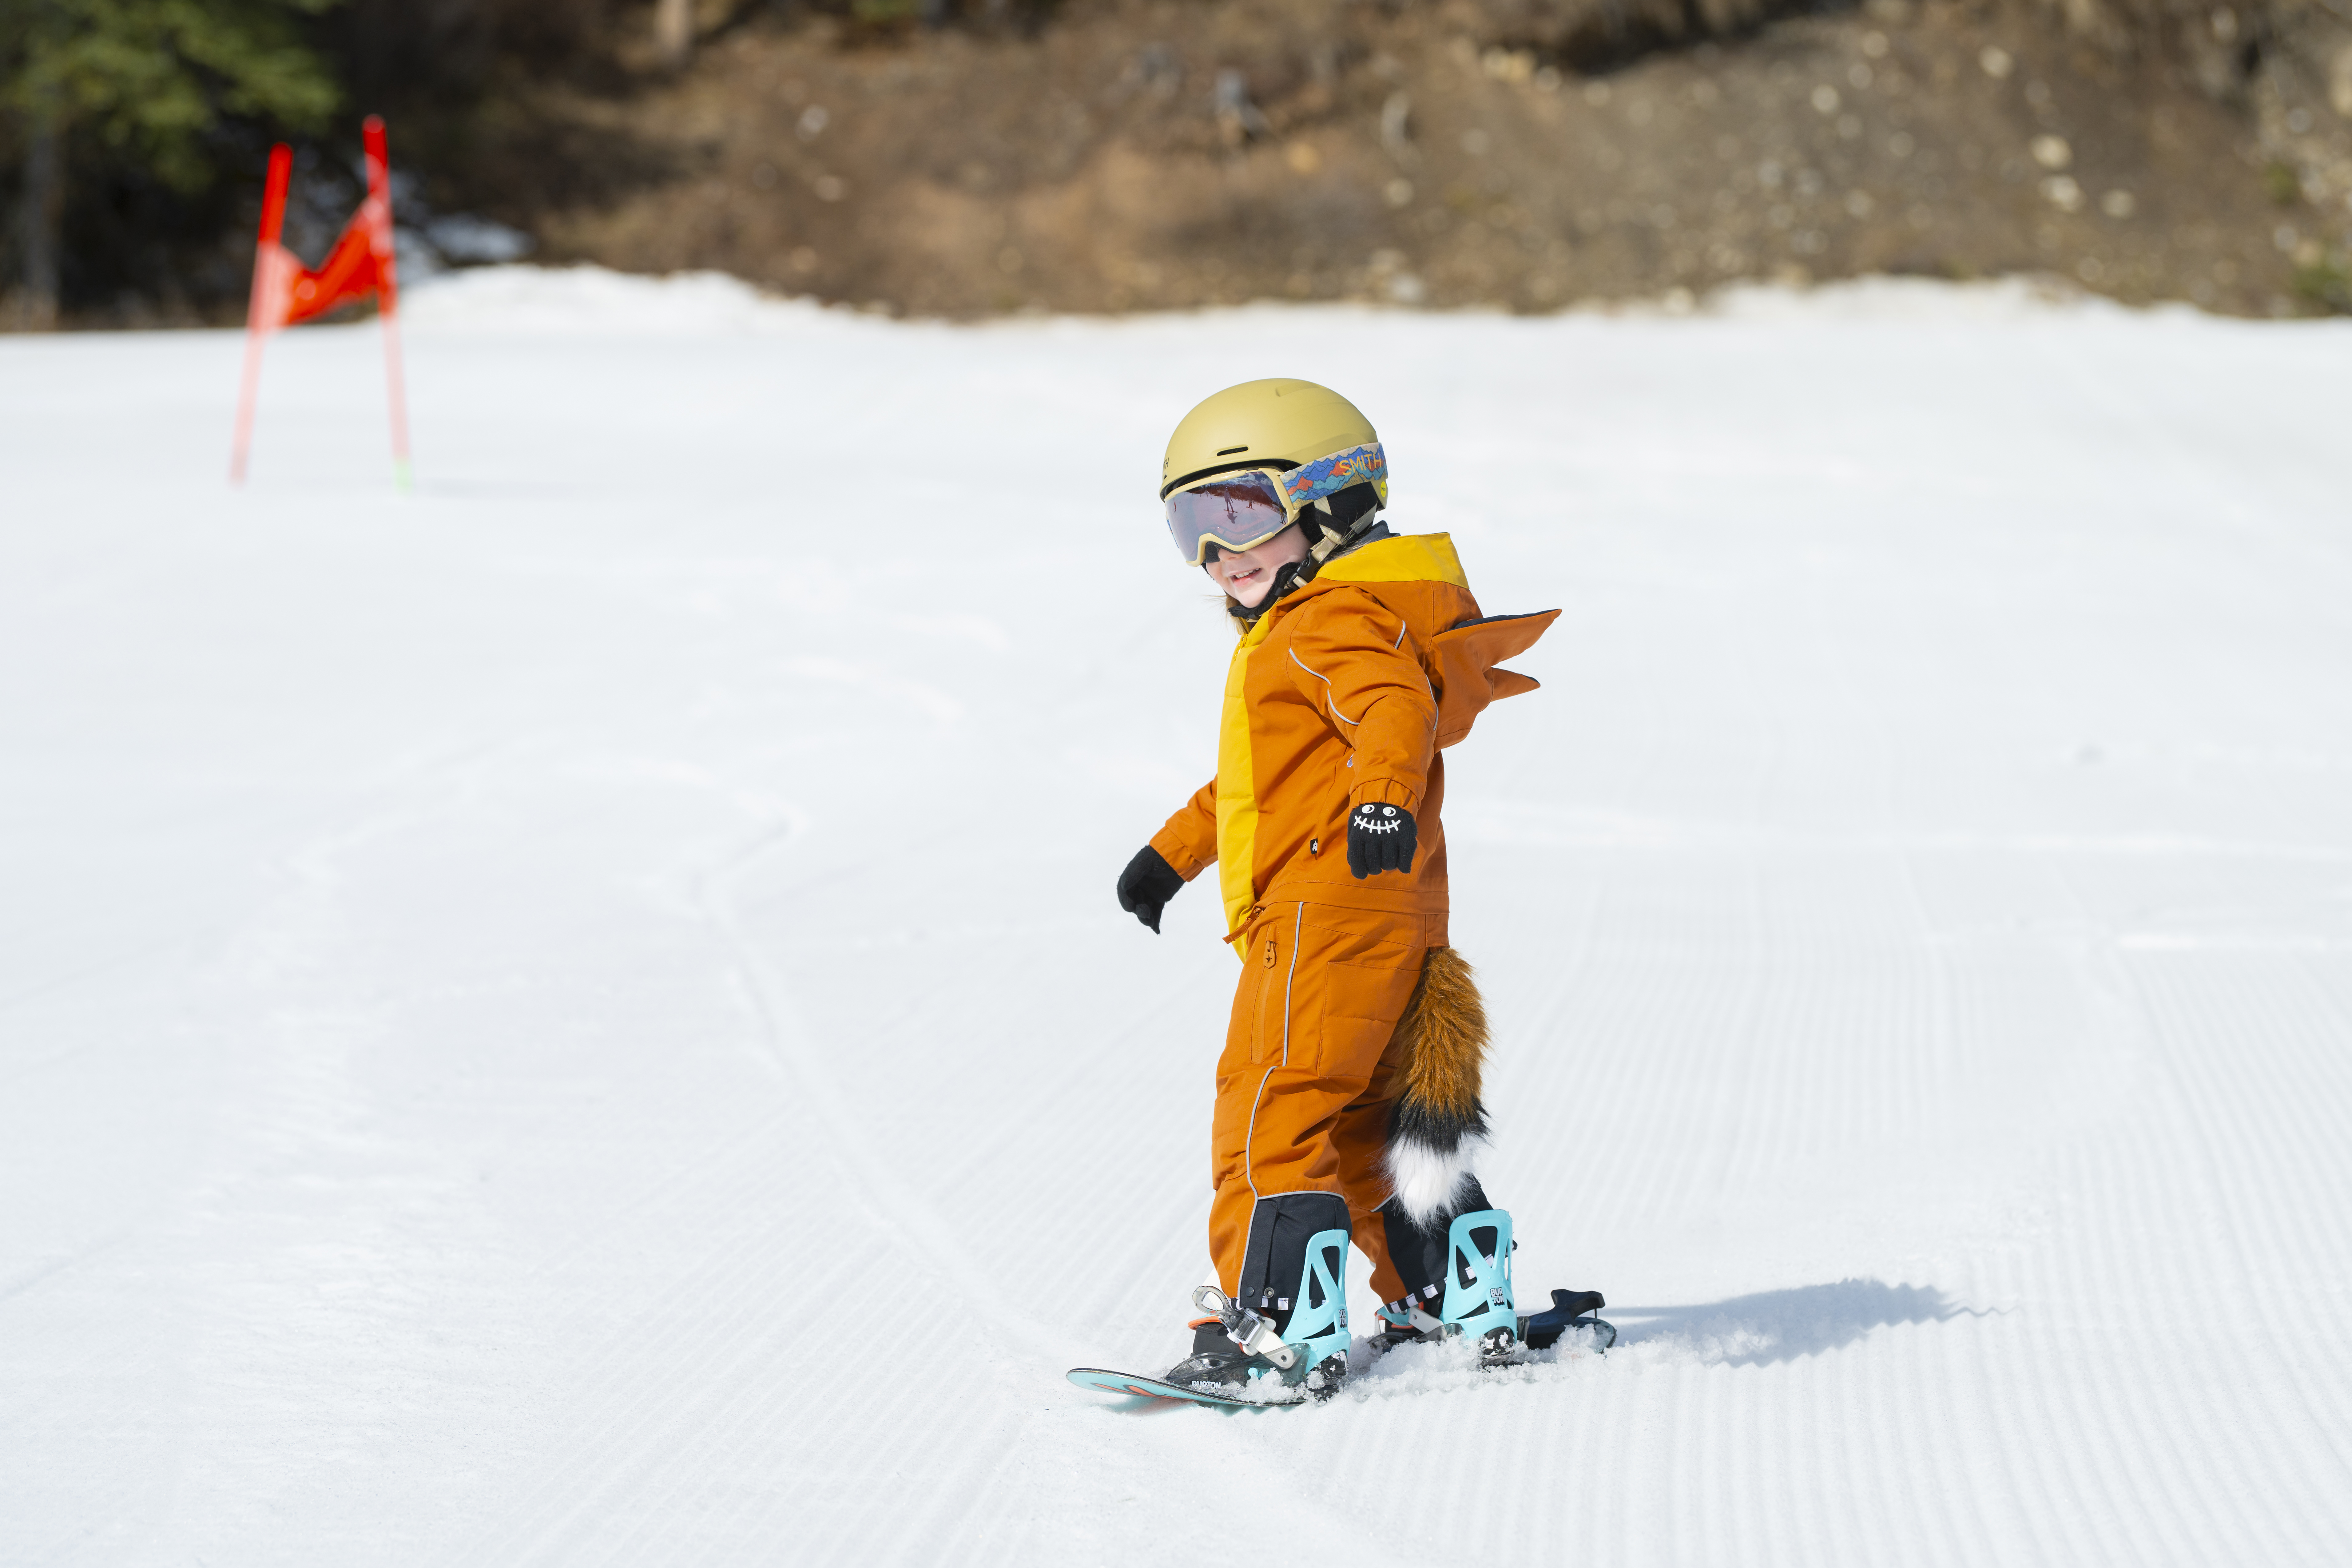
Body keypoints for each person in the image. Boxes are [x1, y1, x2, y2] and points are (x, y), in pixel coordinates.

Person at [1114, 379, 1594, 1396]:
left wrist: (1383, 799)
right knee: (1381, 1119)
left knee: (1272, 1105)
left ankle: (1273, 1325)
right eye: (1191, 525)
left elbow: (1388, 712)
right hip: (1386, 912)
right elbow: (1263, 782)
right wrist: (1172, 854)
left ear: (1332, 502)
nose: (1220, 552)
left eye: (1241, 511)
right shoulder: (1338, 620)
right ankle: (1452, 1296)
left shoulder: (1320, 625)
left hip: (1322, 911)